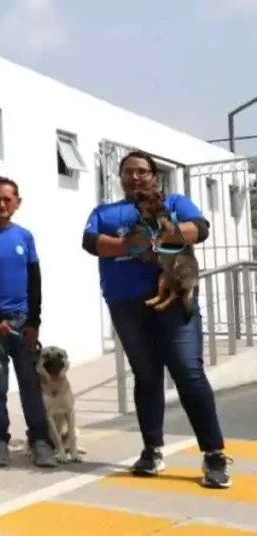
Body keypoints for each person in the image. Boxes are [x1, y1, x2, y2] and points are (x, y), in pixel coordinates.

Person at [82, 149, 232, 488]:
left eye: (142, 172)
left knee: (188, 372)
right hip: (125, 303)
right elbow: (93, 243)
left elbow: (200, 229)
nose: (135, 177)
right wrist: (136, 246)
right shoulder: (104, 211)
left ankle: (214, 454)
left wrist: (152, 239)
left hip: (175, 300)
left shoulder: (176, 201)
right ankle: (152, 450)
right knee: (146, 376)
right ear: (119, 178)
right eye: (128, 172)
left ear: (154, 176)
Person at [0, 177, 56, 468]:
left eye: (7, 199)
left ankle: (40, 440)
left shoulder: (25, 237)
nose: (1, 204)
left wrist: (34, 322)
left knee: (31, 385)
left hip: (22, 325)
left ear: (17, 202)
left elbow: (35, 281)